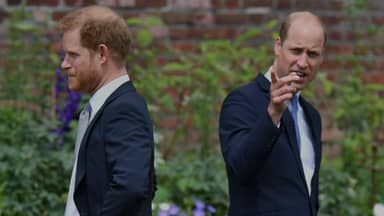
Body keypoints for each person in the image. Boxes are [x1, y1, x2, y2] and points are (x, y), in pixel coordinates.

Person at [219, 11, 326, 216]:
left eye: (312, 54)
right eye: (296, 51)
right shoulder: (242, 101)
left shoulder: (312, 116)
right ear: (278, 46)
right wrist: (272, 115)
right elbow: (238, 167)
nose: (303, 63)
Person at [59, 5, 156, 216]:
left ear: (102, 54)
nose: (64, 64)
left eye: (73, 55)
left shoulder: (124, 109)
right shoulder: (108, 107)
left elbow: (131, 186)